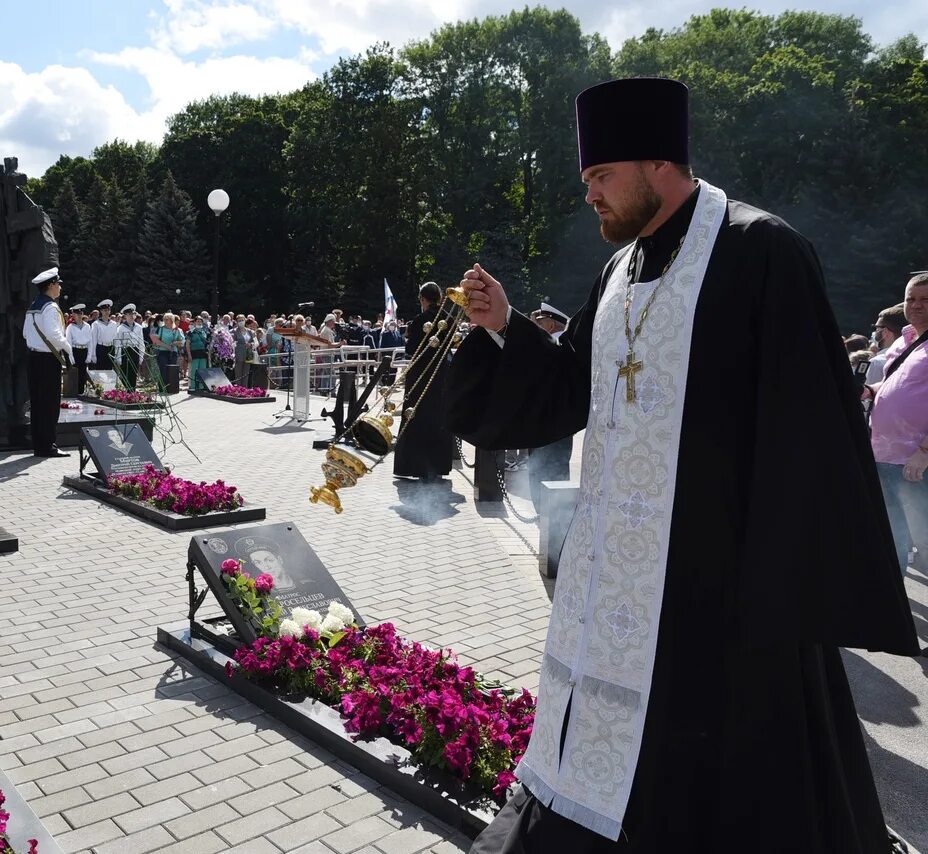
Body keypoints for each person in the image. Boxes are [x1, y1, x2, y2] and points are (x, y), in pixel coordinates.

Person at [448, 77, 916, 854]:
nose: (591, 195)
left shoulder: (762, 250)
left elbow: (810, 433)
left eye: (602, 177)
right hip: (617, 579)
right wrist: (504, 328)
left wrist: (780, 582)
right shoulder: (620, 271)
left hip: (722, 590)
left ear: (657, 162)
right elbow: (574, 383)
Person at [865, 272, 928, 576]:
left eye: (925, 299)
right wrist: (870, 391)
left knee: (925, 540)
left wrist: (925, 451)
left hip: (915, 460)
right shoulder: (906, 340)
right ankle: (896, 610)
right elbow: (896, 387)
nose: (916, 305)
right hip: (885, 455)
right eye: (911, 299)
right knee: (893, 535)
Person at [392, 282, 454, 480]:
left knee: (416, 416)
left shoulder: (420, 320)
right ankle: (438, 466)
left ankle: (415, 466)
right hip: (442, 374)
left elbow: (411, 349)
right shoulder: (449, 318)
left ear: (423, 299)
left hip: (421, 375)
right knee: (438, 417)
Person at [526, 303, 574, 511]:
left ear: (552, 325)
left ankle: (551, 514)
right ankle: (547, 512)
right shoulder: (552, 344)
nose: (536, 326)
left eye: (541, 322)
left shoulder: (558, 345)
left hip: (552, 421)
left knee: (551, 468)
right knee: (544, 468)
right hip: (546, 420)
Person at [24, 268, 73, 458]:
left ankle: (39, 444)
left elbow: (25, 333)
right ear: (51, 285)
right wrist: (68, 349)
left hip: (33, 357)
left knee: (37, 403)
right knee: (50, 404)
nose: (60, 287)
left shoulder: (34, 306)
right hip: (47, 359)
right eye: (58, 284)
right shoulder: (51, 307)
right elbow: (54, 335)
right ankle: (48, 446)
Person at [866, 304, 907, 384]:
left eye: (877, 328)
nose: (874, 332)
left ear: (885, 332)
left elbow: (869, 395)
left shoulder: (877, 363)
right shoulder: (915, 356)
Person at [64, 303, 94, 395]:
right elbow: (68, 342)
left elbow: (90, 342)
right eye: (77, 314)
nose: (80, 316)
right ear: (73, 315)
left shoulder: (87, 326)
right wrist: (71, 356)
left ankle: (81, 392)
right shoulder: (70, 327)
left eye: (81, 314)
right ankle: (74, 392)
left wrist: (89, 355)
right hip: (75, 350)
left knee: (83, 374)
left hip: (84, 350)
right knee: (75, 374)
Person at [116, 305, 145, 390]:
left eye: (133, 314)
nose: (132, 316)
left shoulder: (139, 327)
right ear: (125, 316)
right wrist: (118, 357)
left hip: (135, 350)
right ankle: (125, 394)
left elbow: (141, 342)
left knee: (134, 373)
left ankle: (132, 393)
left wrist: (141, 356)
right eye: (129, 314)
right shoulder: (120, 328)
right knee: (125, 373)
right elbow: (118, 343)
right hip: (125, 351)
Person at [152, 312, 185, 388]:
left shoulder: (177, 330)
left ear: (172, 320)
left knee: (172, 370)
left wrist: (176, 343)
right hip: (162, 352)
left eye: (167, 319)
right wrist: (166, 346)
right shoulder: (160, 329)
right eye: (164, 319)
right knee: (163, 370)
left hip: (173, 353)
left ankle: (171, 388)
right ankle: (162, 388)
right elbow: (155, 340)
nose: (165, 321)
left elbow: (182, 342)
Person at [186, 315, 210, 391]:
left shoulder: (204, 332)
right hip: (194, 353)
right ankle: (192, 386)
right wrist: (189, 355)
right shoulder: (191, 332)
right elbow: (187, 344)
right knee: (193, 370)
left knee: (202, 370)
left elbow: (207, 343)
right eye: (198, 321)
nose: (199, 322)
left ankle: (201, 386)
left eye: (200, 321)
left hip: (203, 353)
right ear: (195, 322)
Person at [91, 299, 117, 370]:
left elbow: (115, 338)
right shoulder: (96, 324)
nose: (107, 312)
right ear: (101, 311)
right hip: (100, 348)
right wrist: (93, 355)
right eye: (105, 310)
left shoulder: (114, 324)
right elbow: (94, 340)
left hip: (111, 348)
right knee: (100, 371)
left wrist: (116, 352)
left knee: (110, 370)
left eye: (108, 310)